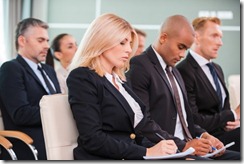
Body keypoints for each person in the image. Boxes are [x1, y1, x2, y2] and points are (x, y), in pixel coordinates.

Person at [66, 13, 200, 160]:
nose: (129, 50)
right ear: (102, 41)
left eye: (130, 44)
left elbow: (143, 126)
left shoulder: (119, 80)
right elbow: (93, 139)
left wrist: (175, 148)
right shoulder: (82, 77)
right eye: (122, 43)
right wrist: (147, 152)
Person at [126, 14, 240, 160]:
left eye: (186, 49)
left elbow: (187, 119)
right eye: (180, 47)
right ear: (163, 38)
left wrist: (205, 136)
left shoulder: (175, 71)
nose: (182, 55)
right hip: (168, 150)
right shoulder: (140, 65)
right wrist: (183, 146)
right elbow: (143, 121)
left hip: (189, 147)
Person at [176, 17, 240, 152]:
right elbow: (192, 120)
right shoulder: (184, 70)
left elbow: (224, 110)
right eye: (214, 36)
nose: (220, 42)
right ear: (197, 37)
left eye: (220, 37)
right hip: (206, 140)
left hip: (225, 135)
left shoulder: (217, 69)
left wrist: (232, 122)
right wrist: (232, 114)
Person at [0, 18, 61, 160]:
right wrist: (60, 113)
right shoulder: (11, 69)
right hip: (31, 144)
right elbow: (21, 114)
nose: (47, 46)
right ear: (22, 41)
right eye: (40, 40)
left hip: (57, 138)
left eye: (47, 40)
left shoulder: (49, 70)